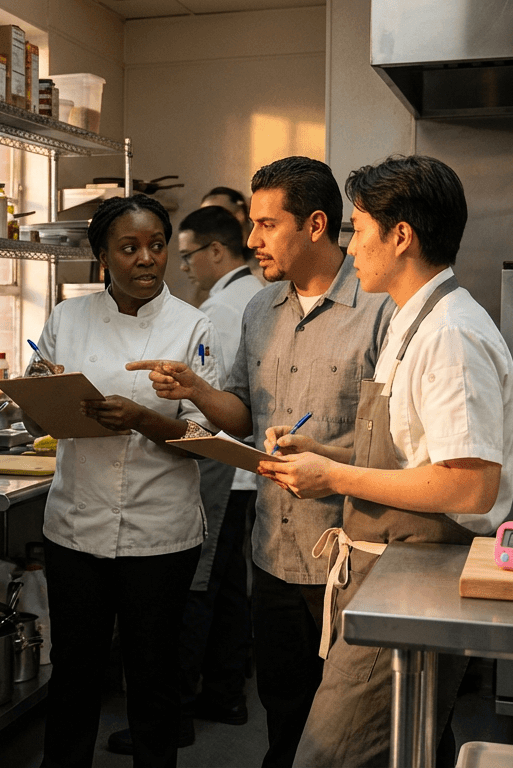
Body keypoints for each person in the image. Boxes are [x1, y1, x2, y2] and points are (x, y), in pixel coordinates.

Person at [128, 157, 394, 767]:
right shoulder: (259, 311)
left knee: (352, 733)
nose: (251, 241)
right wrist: (196, 390)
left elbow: (398, 443)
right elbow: (246, 415)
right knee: (283, 710)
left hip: (350, 557)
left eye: (267, 225)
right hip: (273, 550)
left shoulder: (380, 310)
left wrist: (325, 456)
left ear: (318, 225)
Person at [257, 155, 513, 767]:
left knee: (327, 756)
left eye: (358, 229)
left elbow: (470, 488)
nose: (349, 249)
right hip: (385, 576)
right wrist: (322, 451)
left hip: (417, 577)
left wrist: (334, 477)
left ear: (401, 236)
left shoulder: (451, 334)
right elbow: (406, 453)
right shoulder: (412, 317)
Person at [26, 194, 220, 768]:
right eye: (129, 247)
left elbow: (202, 438)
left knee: (153, 679)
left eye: (156, 246)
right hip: (76, 528)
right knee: (75, 677)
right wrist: (44, 393)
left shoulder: (193, 326)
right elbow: (43, 414)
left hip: (160, 534)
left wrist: (142, 419)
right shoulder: (68, 317)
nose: (146, 259)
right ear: (103, 257)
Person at [105, 205, 262, 756]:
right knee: (225, 591)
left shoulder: (214, 310)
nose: (183, 265)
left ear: (215, 252)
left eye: (182, 251)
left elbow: (209, 405)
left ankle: (183, 712)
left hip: (219, 462)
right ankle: (224, 694)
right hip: (245, 470)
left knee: (198, 590)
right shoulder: (258, 295)